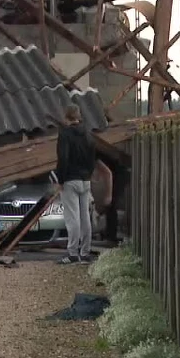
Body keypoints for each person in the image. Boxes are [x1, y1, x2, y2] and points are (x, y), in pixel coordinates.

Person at [50, 104, 112, 265]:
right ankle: (85, 252)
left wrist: (60, 180)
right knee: (85, 217)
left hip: (70, 180)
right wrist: (88, 175)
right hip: (85, 180)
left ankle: (72, 253)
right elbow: (93, 158)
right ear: (78, 117)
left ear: (66, 117)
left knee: (73, 218)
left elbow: (63, 158)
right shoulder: (88, 134)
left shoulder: (65, 134)